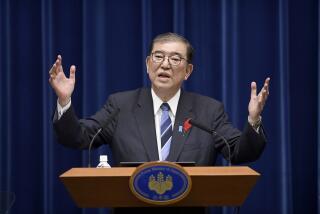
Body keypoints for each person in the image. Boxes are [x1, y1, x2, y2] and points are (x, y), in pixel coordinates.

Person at [49, 32, 270, 214]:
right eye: (158, 56)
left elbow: (241, 152)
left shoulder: (208, 110)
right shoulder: (120, 105)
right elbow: (78, 137)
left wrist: (253, 119)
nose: (165, 64)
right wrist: (64, 101)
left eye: (175, 59)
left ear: (188, 71)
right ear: (147, 64)